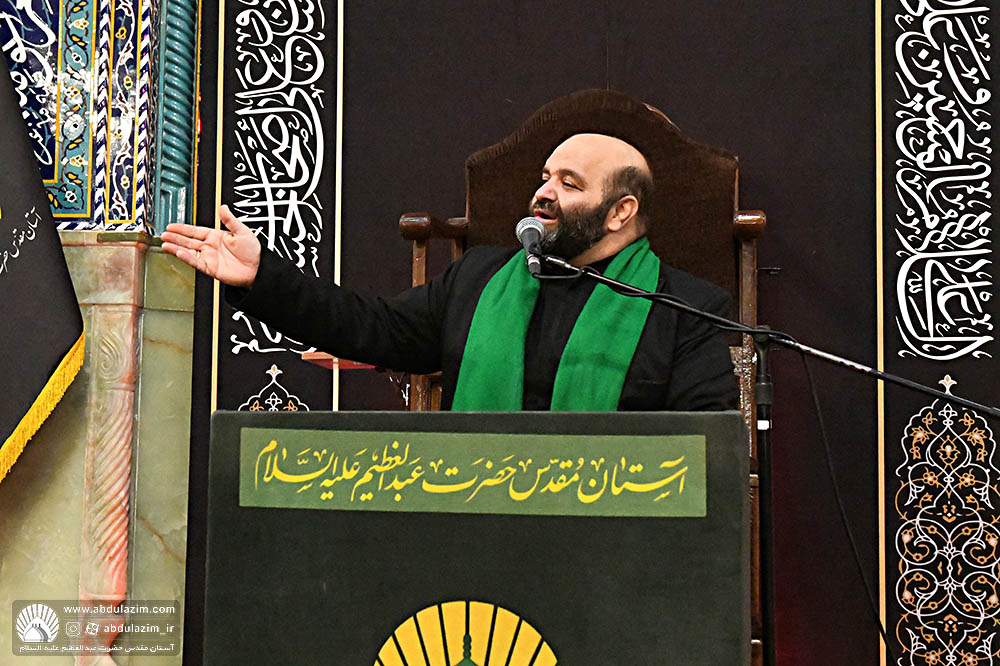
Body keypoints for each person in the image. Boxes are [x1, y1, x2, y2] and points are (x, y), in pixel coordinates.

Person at [162, 133, 738, 411]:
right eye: (545, 177)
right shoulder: (481, 278)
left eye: (569, 184)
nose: (543, 193)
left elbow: (703, 455)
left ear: (620, 212)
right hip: (473, 528)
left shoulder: (686, 310)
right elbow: (372, 326)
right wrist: (263, 277)